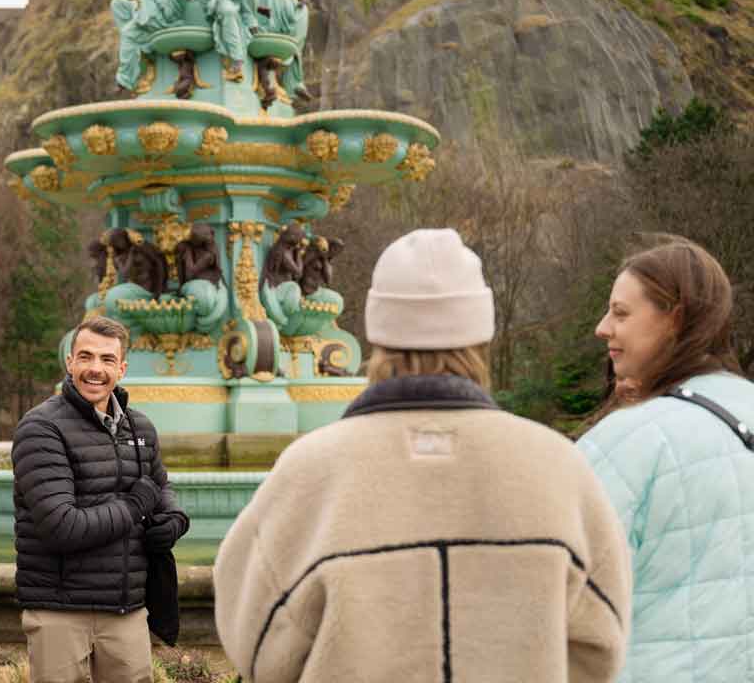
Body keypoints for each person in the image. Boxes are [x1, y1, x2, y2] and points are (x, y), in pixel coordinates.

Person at [214, 228, 632, 683]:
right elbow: (601, 642)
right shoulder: (557, 467)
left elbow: (252, 635)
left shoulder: (312, 470)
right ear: (481, 336)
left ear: (378, 334)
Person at [578, 237, 754, 683]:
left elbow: (555, 594)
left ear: (673, 318)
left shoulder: (629, 439)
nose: (602, 328)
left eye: (621, 313)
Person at [12, 315, 189, 683]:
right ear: (69, 362)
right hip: (60, 610)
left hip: (126, 610)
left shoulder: (139, 427)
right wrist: (135, 506)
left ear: (121, 368)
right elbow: (62, 526)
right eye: (86, 357)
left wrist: (174, 521)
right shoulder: (40, 427)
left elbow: (161, 489)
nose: (96, 369)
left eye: (107, 360)